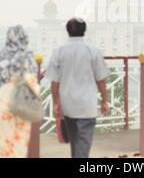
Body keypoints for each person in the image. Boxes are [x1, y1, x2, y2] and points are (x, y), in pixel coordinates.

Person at [46, 18, 110, 158]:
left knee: (76, 143)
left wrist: (56, 102)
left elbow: (54, 82)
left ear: (68, 31)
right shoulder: (92, 50)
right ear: (84, 30)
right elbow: (101, 80)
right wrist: (104, 101)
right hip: (87, 106)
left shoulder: (59, 51)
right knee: (82, 144)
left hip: (68, 105)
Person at [0, 25, 39, 158]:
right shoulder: (26, 55)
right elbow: (32, 83)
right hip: (18, 106)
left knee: (2, 145)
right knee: (18, 145)